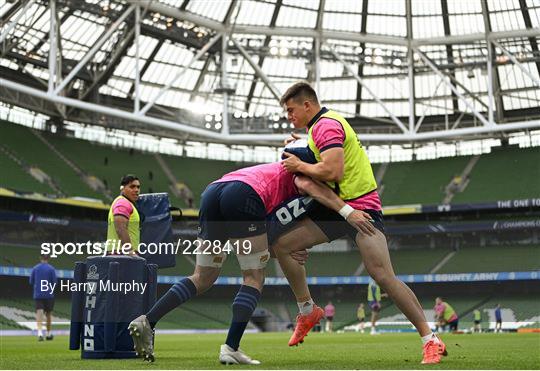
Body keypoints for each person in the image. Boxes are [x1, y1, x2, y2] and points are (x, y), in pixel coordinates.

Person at [128, 161, 374, 364]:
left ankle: (148, 321)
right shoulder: (304, 175)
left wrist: (285, 249)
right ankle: (231, 347)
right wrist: (345, 212)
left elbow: (261, 238)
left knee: (202, 277)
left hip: (213, 192)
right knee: (254, 277)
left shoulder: (275, 169)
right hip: (245, 194)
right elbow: (298, 193)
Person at [275, 81, 447, 364]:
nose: (289, 116)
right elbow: (322, 162)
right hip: (335, 207)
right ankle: (307, 311)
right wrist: (300, 148)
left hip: (361, 208)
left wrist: (299, 163)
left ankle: (430, 339)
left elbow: (333, 169)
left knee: (383, 276)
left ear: (308, 105)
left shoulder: (325, 126)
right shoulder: (319, 129)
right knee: (283, 244)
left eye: (291, 110)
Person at [106, 174, 141, 255]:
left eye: (138, 187)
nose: (136, 190)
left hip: (120, 254)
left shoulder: (126, 202)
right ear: (122, 188)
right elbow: (120, 228)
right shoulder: (123, 203)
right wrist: (130, 251)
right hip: (122, 256)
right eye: (132, 187)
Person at [29, 254, 56, 341]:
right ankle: (48, 333)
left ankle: (40, 333)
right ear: (48, 258)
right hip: (49, 295)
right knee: (48, 315)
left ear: (40, 258)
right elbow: (54, 282)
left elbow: (31, 281)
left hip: (38, 294)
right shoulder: (51, 269)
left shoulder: (35, 268)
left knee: (39, 314)